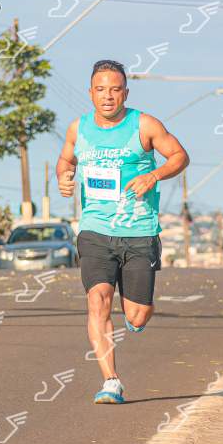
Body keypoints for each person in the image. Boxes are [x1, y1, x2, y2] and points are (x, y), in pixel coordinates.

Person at [56, 59, 189, 404]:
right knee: (97, 300)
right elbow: (66, 160)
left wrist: (153, 175)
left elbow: (179, 156)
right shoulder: (78, 128)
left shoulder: (144, 125)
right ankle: (111, 381)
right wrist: (64, 177)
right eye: (101, 90)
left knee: (136, 315)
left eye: (115, 90)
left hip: (139, 232)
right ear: (90, 93)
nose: (108, 96)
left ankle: (138, 313)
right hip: (95, 230)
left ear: (125, 93)